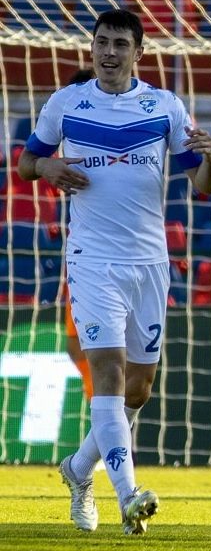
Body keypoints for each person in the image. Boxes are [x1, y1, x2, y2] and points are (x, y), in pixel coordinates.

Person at [19, 9, 211, 535]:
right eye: (101, 43)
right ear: (91, 49)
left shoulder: (164, 107)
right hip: (92, 260)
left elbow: (203, 185)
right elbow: (25, 162)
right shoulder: (66, 103)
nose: (109, 53)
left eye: (120, 44)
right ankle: (129, 496)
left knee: (139, 389)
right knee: (106, 373)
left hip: (150, 263)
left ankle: (78, 469)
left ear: (139, 52)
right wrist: (46, 167)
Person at [61, 67, 97, 401]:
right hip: (84, 254)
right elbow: (29, 163)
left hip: (132, 254)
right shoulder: (68, 134)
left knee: (133, 374)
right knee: (81, 345)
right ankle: (111, 442)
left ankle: (112, 443)